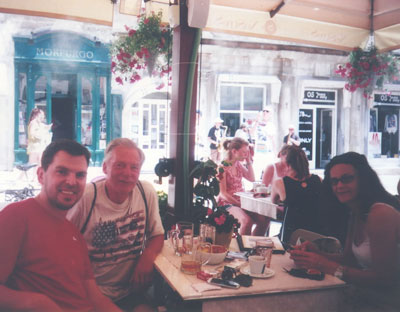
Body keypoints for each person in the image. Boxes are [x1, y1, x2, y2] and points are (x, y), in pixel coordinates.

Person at [0, 139, 120, 311]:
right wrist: (36, 303)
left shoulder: (74, 233)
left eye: (80, 175)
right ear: (41, 175)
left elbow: (94, 297)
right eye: (62, 172)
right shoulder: (16, 217)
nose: (72, 181)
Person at [289, 152, 400, 311]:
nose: (339, 186)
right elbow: (350, 259)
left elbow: (385, 278)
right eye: (334, 181)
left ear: (363, 179)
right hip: (366, 297)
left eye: (346, 179)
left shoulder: (380, 214)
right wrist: (316, 254)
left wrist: (325, 265)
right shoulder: (356, 212)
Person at [67, 138, 164, 311]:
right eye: (120, 165)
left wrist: (147, 257)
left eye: (134, 167)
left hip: (130, 292)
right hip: (89, 293)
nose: (127, 173)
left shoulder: (145, 192)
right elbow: (63, 244)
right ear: (105, 168)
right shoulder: (87, 197)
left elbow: (157, 234)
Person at [217, 137, 269, 236]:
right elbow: (223, 193)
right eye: (244, 152)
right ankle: (243, 249)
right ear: (234, 151)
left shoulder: (238, 165)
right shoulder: (222, 167)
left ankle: (252, 245)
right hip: (227, 203)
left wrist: (248, 160)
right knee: (246, 221)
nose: (246, 154)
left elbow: (252, 178)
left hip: (241, 201)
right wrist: (238, 204)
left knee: (264, 219)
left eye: (247, 152)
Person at [271, 146, 322, 243]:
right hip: (316, 235)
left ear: (287, 164)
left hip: (291, 236)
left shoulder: (280, 183)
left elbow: (274, 201)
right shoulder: (318, 180)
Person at [253, 107, 276, 178]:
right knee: (256, 173)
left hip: (268, 152)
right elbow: (251, 133)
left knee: (269, 173)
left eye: (267, 111)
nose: (265, 113)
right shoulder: (256, 123)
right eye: (264, 111)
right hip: (258, 152)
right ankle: (255, 188)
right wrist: (256, 122)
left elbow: (272, 139)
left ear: (270, 114)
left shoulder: (271, 125)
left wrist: (275, 152)